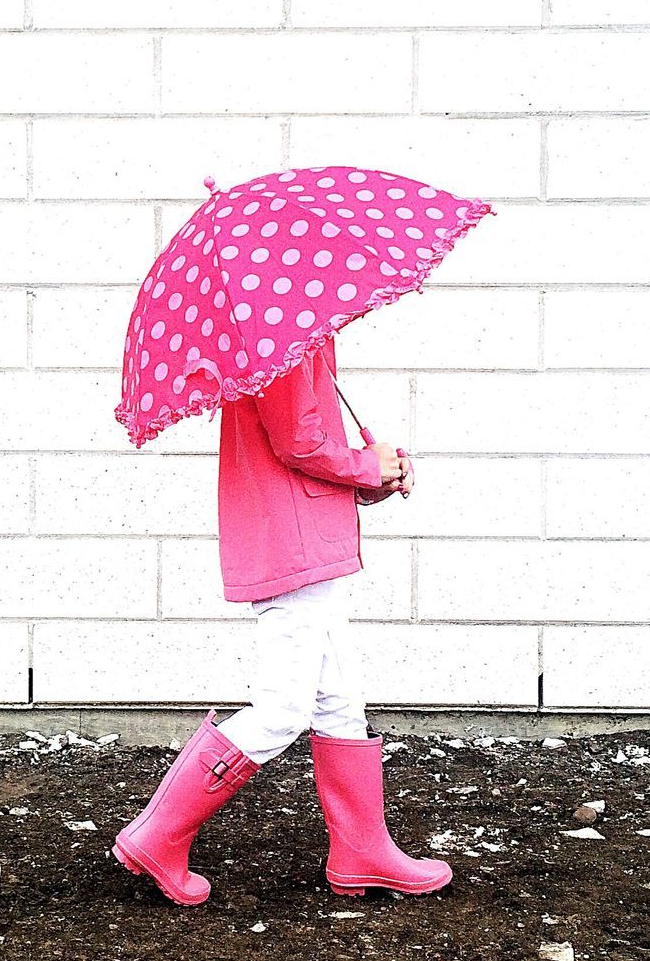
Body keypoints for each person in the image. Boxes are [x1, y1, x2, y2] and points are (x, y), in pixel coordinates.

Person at [111, 333, 453, 906]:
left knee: (339, 702)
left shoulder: (292, 334)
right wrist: (367, 464)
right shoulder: (278, 340)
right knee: (281, 710)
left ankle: (361, 853)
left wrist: (375, 475)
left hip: (308, 541)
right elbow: (299, 441)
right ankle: (156, 836)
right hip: (295, 547)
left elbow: (308, 449)